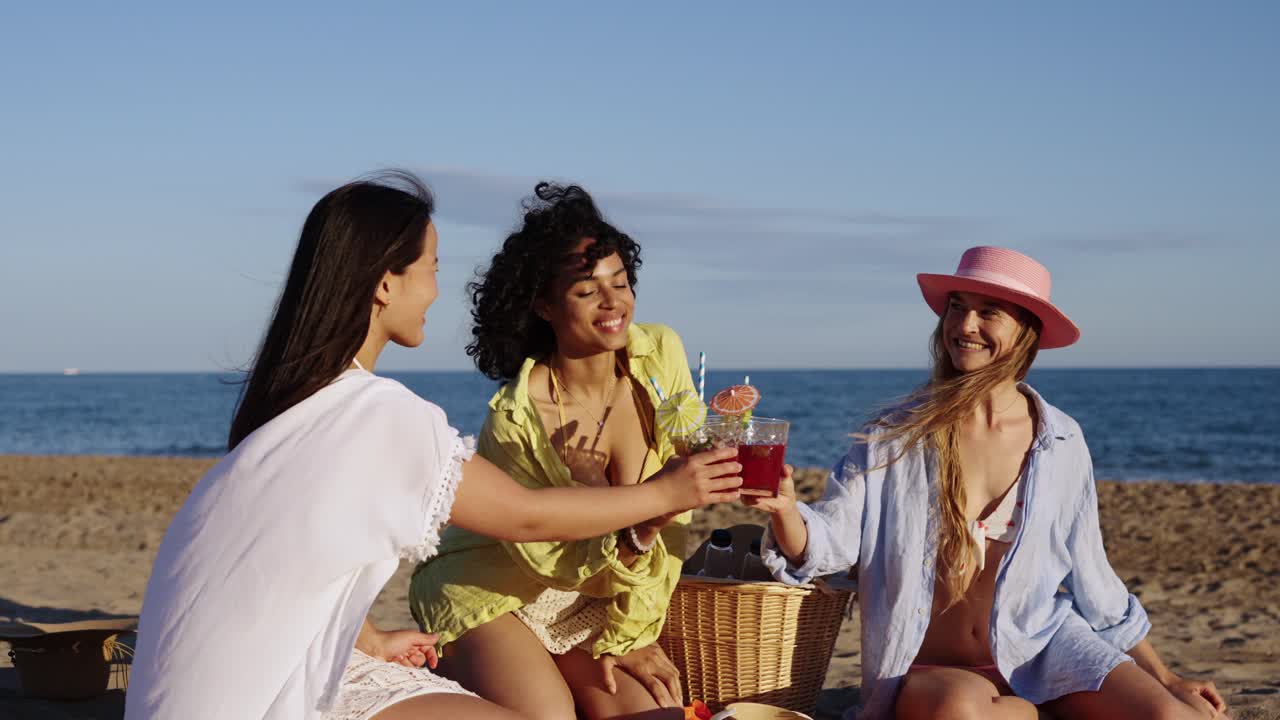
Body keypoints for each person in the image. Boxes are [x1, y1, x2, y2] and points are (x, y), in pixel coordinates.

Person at [124, 172, 741, 720]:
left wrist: (366, 638)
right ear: (385, 285)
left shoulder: (302, 400)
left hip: (226, 680)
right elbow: (526, 517)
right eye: (433, 269)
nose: (437, 291)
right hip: (266, 694)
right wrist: (666, 492)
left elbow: (287, 563)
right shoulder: (378, 413)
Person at [750, 246, 1227, 719]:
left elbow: (1092, 576)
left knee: (1170, 716)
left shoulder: (1060, 439)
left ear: (1025, 333)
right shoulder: (895, 436)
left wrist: (1164, 678)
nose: (964, 326)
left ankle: (1037, 705)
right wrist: (786, 510)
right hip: (928, 665)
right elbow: (831, 545)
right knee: (959, 712)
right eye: (957, 308)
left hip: (1040, 648)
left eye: (988, 313)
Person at [409, 183, 712, 720]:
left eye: (620, 282)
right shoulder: (516, 420)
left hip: (592, 598)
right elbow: (557, 560)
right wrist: (649, 516)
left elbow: (690, 456)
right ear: (545, 306)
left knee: (654, 716)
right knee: (548, 715)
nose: (613, 301)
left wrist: (628, 634)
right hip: (492, 586)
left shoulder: (659, 353)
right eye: (587, 289)